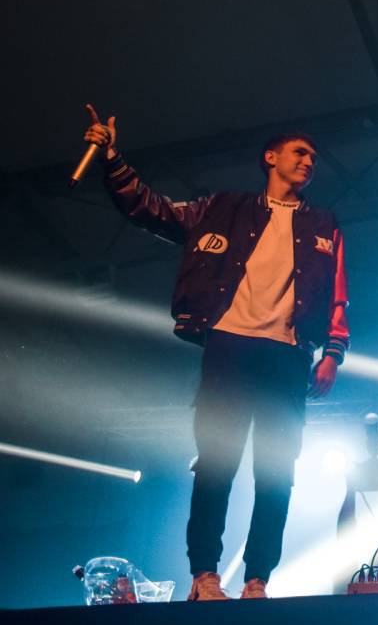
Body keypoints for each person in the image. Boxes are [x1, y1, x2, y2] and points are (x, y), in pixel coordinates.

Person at [83, 104, 350, 599]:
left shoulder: (324, 223)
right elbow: (152, 209)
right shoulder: (223, 208)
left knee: (277, 473)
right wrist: (112, 159)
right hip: (230, 345)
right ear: (270, 157)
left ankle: (257, 580)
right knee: (216, 464)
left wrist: (333, 352)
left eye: (314, 157)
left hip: (288, 354)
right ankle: (204, 575)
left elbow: (338, 293)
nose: (309, 161)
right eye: (299, 152)